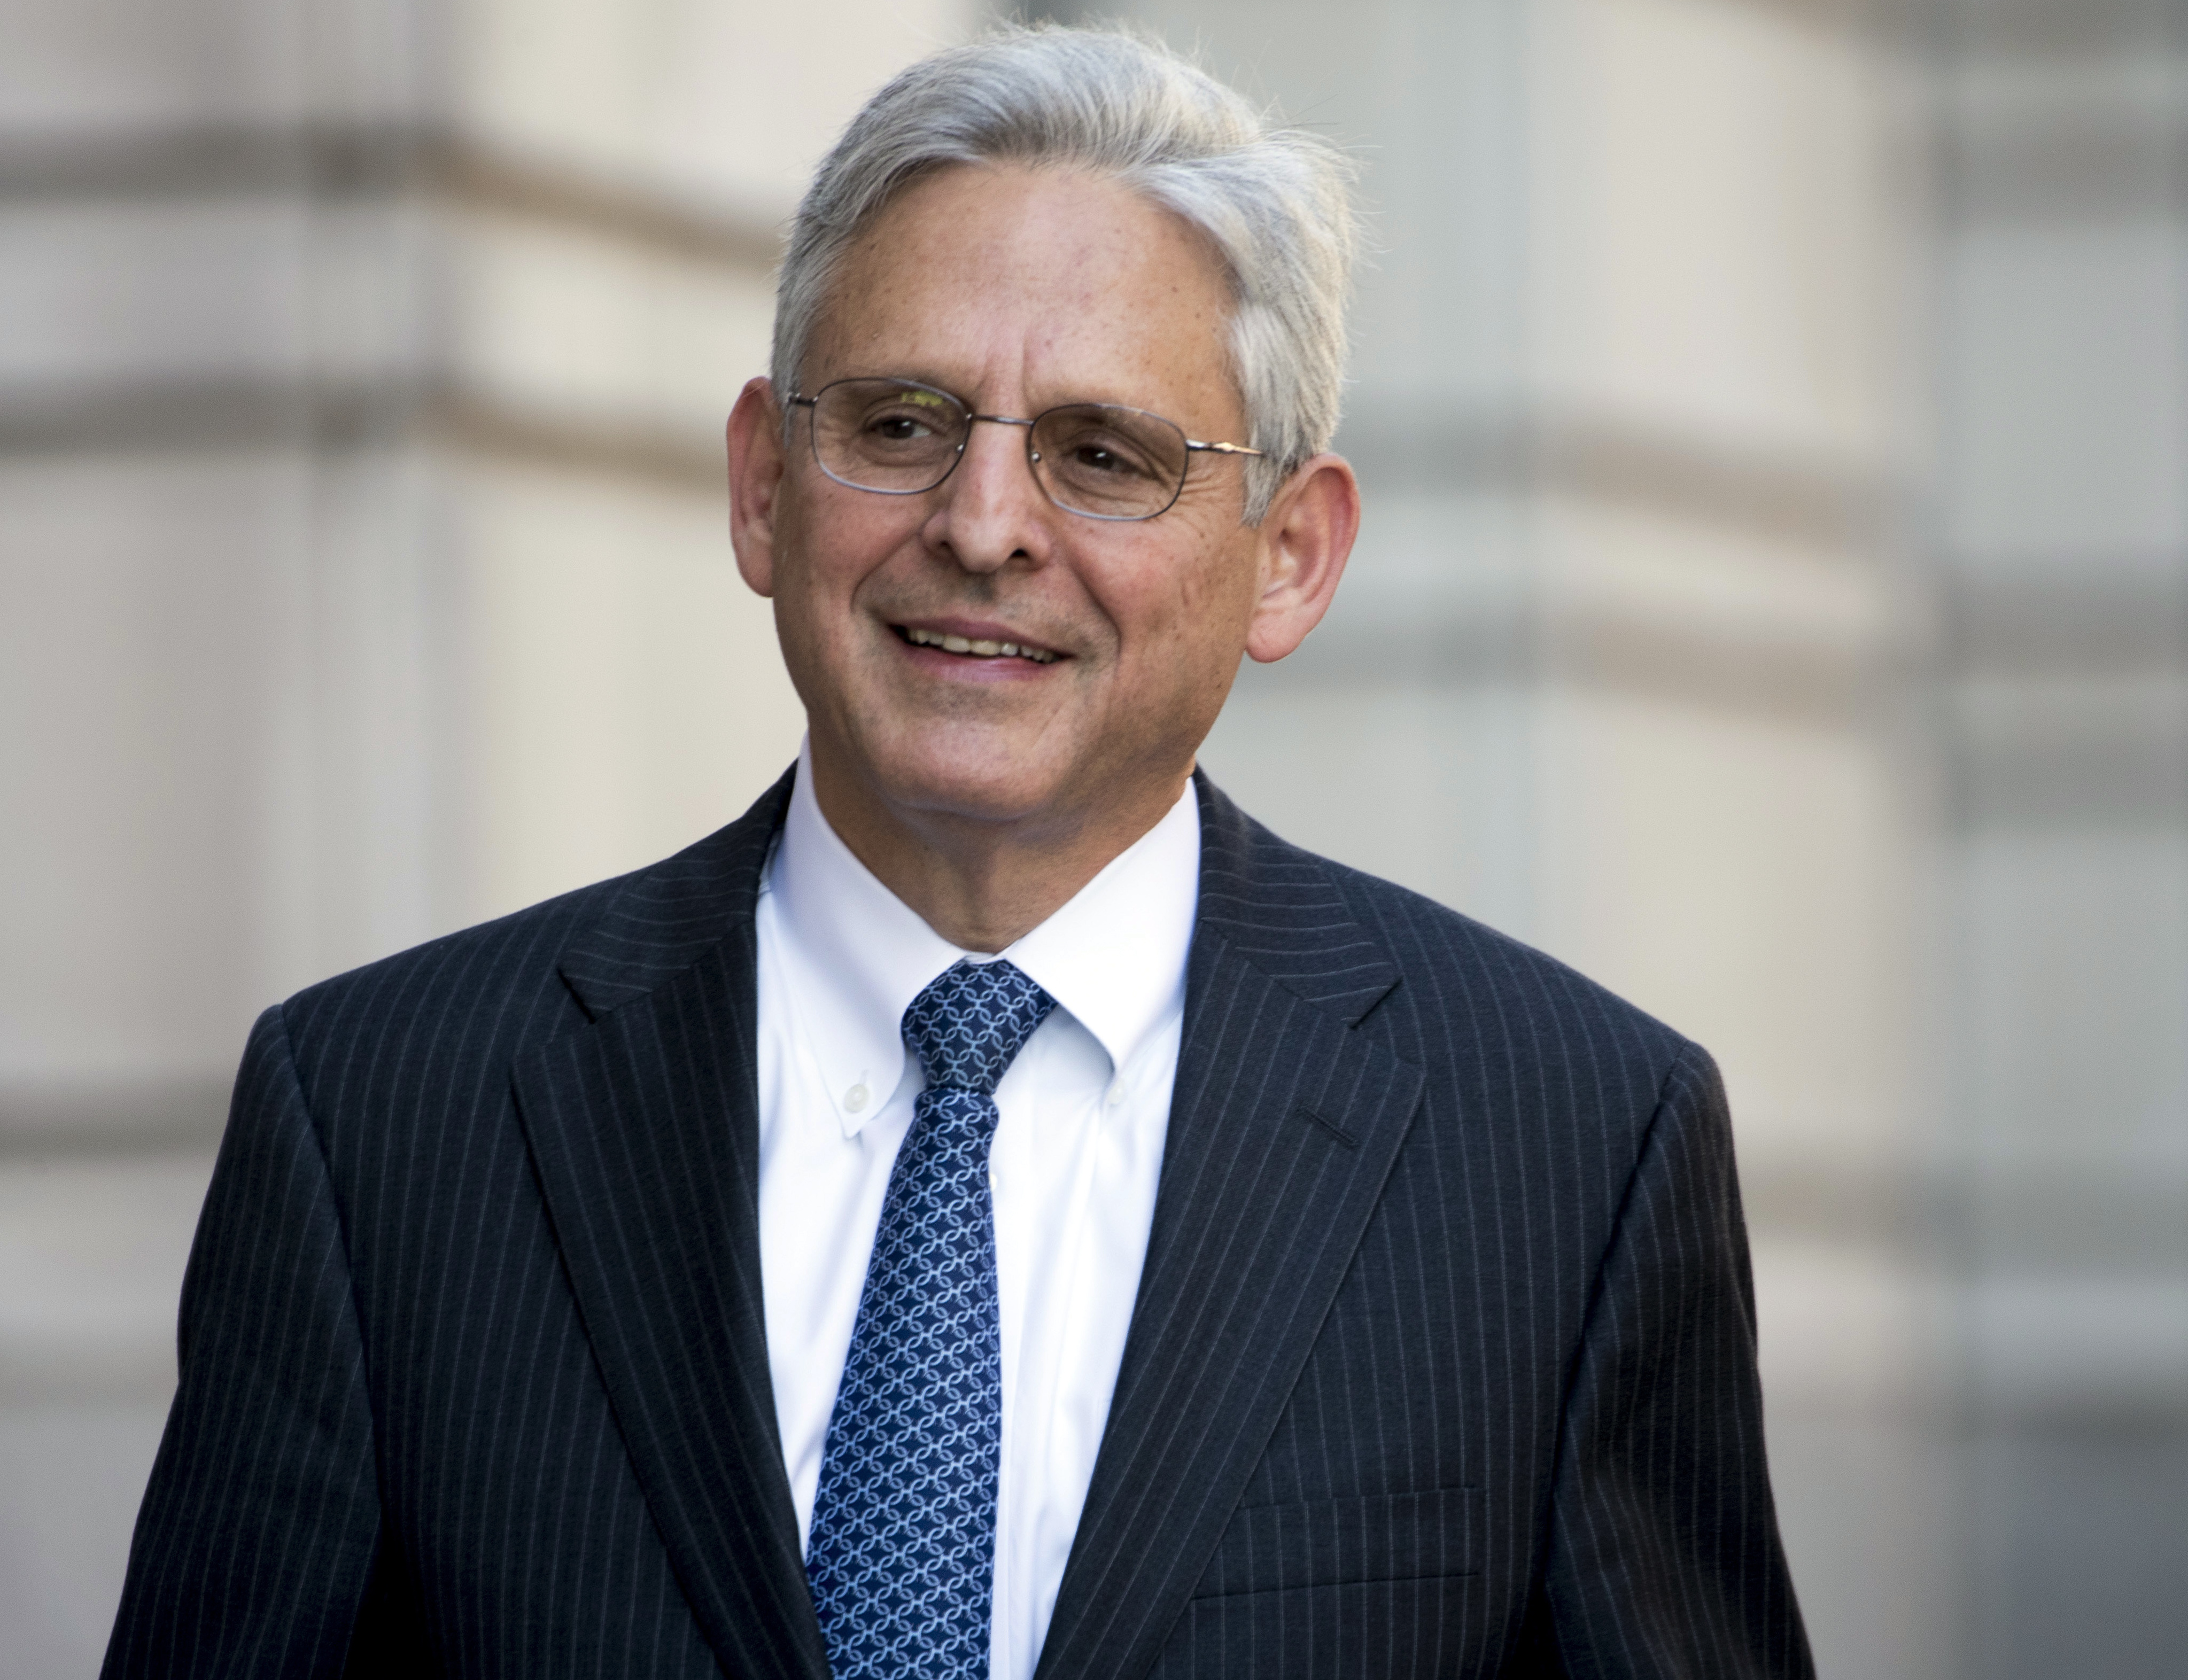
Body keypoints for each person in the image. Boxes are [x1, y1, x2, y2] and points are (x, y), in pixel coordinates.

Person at [104, 25, 1812, 1680]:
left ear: (1290, 554)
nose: (984, 525)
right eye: (903, 424)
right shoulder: (383, 1121)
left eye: (1102, 455)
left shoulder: (1571, 1152)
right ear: (766, 485)